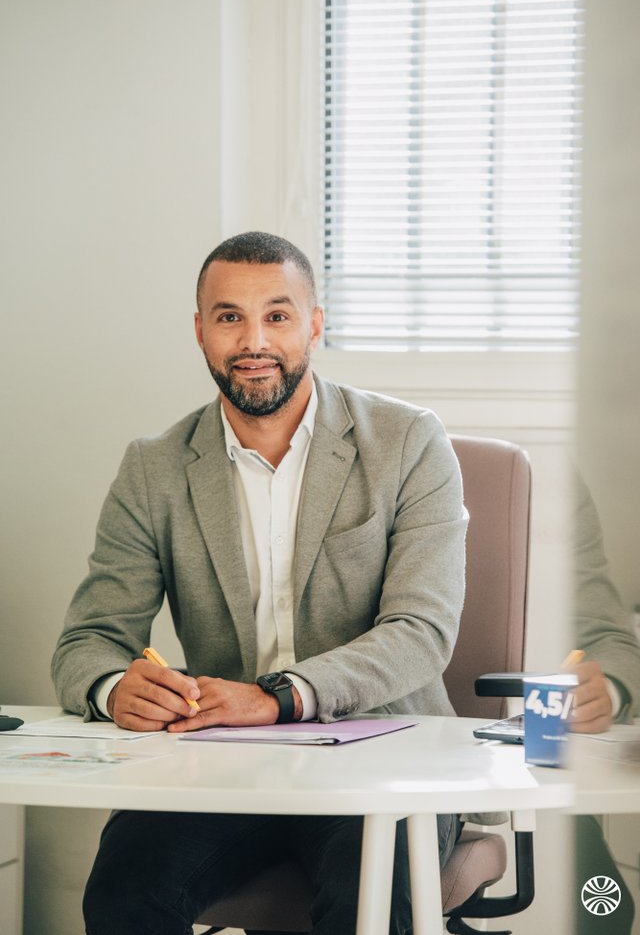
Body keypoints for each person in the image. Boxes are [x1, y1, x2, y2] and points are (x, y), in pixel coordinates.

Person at [51, 231, 467, 935]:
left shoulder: (408, 442)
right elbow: (88, 640)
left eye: (277, 315)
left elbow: (421, 632)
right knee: (124, 892)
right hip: (221, 767)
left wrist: (278, 696)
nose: (254, 341)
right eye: (229, 317)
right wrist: (114, 687)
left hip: (380, 757)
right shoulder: (154, 467)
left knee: (365, 898)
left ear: (314, 323)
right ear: (200, 331)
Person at [571, 475, 640, 935]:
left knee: (604, 912)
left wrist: (607, 690)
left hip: (521, 767)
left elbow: (608, 637)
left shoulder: (552, 476)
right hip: (379, 759)